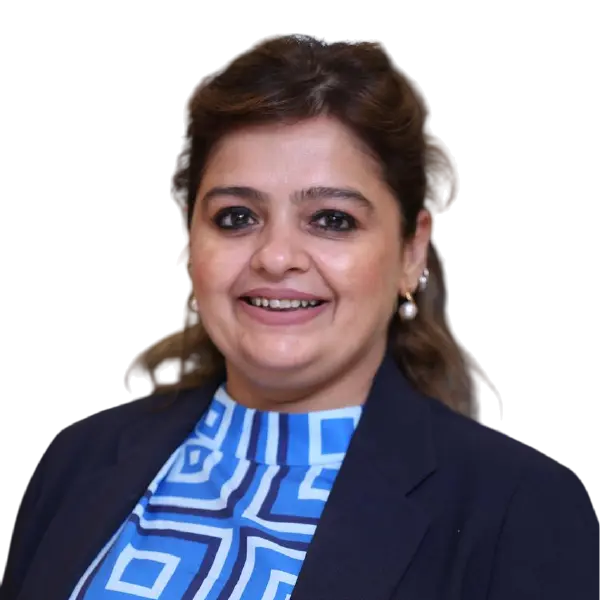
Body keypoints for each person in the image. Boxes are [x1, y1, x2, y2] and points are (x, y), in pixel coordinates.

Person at [4, 33, 600, 600]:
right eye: (236, 217)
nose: (276, 257)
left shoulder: (522, 509)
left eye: (332, 220)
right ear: (188, 243)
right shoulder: (77, 458)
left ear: (411, 251)